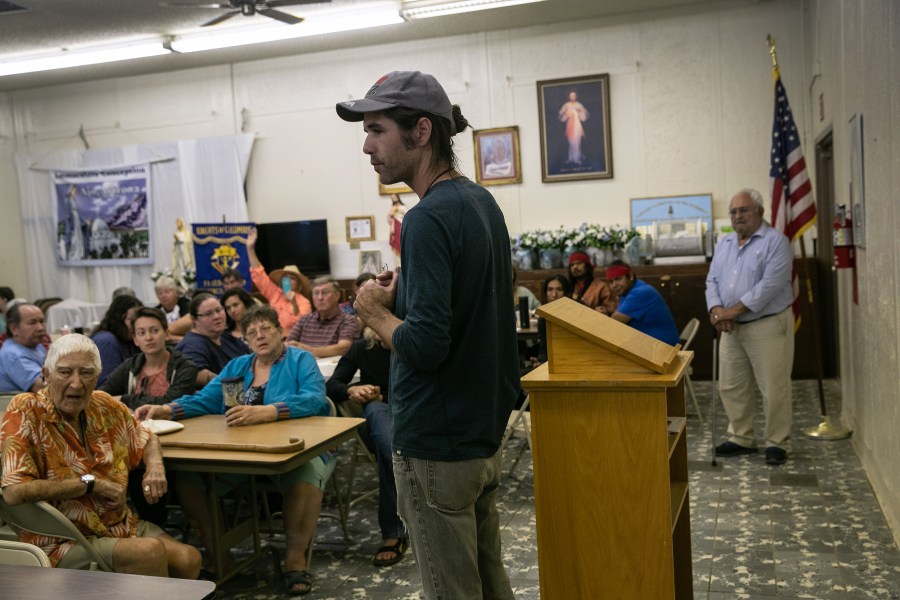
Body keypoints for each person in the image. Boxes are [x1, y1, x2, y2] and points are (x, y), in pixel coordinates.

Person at [337, 70, 518, 600]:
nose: (367, 146)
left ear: (420, 132)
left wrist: (374, 312)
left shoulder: (426, 218)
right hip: (478, 431)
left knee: (452, 591)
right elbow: (469, 311)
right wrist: (407, 294)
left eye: (376, 130)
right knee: (489, 583)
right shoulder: (480, 202)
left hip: (438, 443)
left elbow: (428, 345)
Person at [135, 305, 333, 595]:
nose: (260, 335)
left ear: (280, 331)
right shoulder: (239, 366)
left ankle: (295, 560)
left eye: (266, 328)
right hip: (242, 452)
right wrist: (167, 408)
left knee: (305, 473)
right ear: (246, 340)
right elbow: (206, 399)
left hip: (296, 449)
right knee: (190, 479)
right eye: (252, 332)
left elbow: (315, 399)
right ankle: (221, 557)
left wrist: (270, 411)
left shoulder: (300, 360)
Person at [0, 334, 201, 577]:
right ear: (46, 374)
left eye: (86, 373)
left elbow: (147, 437)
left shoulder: (104, 405)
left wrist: (155, 467)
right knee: (148, 553)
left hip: (116, 524)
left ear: (97, 377)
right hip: (62, 539)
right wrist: (92, 485)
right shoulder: (26, 410)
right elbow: (13, 492)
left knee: (189, 559)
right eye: (65, 372)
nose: (76, 383)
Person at [706, 188, 794, 466]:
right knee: (731, 386)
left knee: (773, 387)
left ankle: (776, 443)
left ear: (760, 212)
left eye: (743, 210)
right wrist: (717, 310)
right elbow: (712, 281)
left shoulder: (776, 242)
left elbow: (769, 286)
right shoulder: (725, 243)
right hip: (730, 328)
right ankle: (741, 438)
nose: (737, 216)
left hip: (765, 325)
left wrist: (730, 311)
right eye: (733, 211)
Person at [325, 327, 406, 567]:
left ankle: (394, 532)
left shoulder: (411, 345)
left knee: (389, 450)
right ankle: (396, 527)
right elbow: (332, 386)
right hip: (379, 418)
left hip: (412, 414)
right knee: (388, 439)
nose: (382, 337)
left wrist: (385, 397)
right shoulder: (363, 347)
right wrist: (353, 389)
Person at [175, 293, 250, 388]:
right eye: (208, 314)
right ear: (195, 320)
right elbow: (197, 374)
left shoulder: (227, 338)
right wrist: (235, 385)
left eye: (219, 310)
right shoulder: (192, 345)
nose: (217, 316)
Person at [245, 226, 312, 331]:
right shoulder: (275, 293)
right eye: (285, 278)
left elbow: (303, 325)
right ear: (281, 282)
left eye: (292, 278)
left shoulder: (304, 302)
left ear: (299, 285)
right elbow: (258, 274)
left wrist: (294, 303)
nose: (288, 281)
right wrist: (250, 249)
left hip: (294, 340)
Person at [605, 260, 680, 346]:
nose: (614, 285)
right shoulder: (626, 291)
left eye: (618, 279)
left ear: (630, 276)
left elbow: (615, 322)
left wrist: (606, 314)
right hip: (650, 345)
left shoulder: (640, 293)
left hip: (663, 349)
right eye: (611, 282)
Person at [286, 277, 359, 358]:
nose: (320, 298)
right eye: (316, 293)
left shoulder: (348, 320)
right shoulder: (304, 320)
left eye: (325, 292)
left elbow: (344, 347)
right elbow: (288, 345)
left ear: (337, 296)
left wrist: (310, 351)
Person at [91, 294, 144, 385]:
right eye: (131, 320)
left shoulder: (128, 339)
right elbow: (107, 385)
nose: (137, 324)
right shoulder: (107, 341)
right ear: (118, 319)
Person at [0, 304, 47, 393]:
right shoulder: (13, 355)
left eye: (42, 321)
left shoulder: (33, 344)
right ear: (14, 329)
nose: (41, 328)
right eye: (32, 322)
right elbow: (43, 387)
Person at [535, 274, 573, 364]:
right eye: (550, 289)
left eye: (559, 290)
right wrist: (541, 362)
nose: (554, 294)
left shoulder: (576, 313)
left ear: (566, 293)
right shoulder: (543, 319)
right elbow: (544, 348)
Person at [558, 90, 589, 165]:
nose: (572, 97)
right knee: (571, 142)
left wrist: (578, 112)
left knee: (577, 141)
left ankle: (577, 158)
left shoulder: (579, 105)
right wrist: (565, 113)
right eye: (571, 96)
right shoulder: (567, 105)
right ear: (569, 97)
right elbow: (561, 113)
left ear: (576, 96)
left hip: (577, 125)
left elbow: (584, 114)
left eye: (574, 96)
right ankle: (571, 158)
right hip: (570, 125)